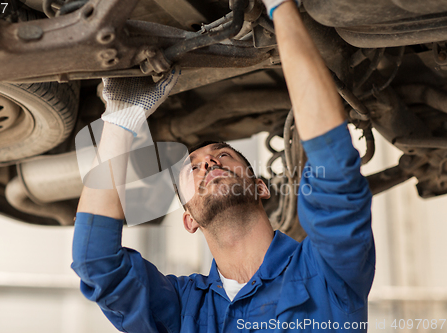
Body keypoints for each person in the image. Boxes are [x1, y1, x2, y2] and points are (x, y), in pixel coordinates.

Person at [71, 0, 375, 331]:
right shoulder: (181, 305)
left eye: (223, 154)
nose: (208, 162)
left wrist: (281, 7)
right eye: (192, 168)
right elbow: (97, 263)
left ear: (260, 187)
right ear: (189, 220)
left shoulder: (327, 273)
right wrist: (121, 119)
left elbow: (335, 170)